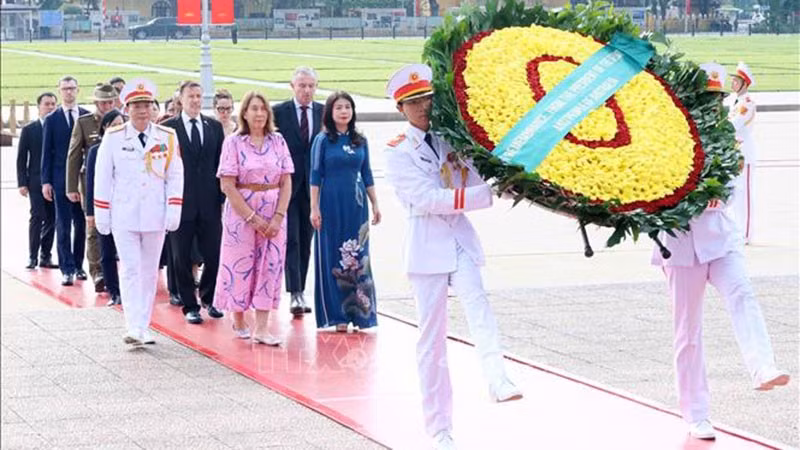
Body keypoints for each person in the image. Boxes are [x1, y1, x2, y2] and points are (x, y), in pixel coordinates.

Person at [383, 64, 522, 450]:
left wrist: (506, 181)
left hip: (459, 237)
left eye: (426, 99)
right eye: (413, 102)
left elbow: (476, 176)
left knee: (479, 305)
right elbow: (428, 198)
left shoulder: (449, 138)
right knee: (431, 340)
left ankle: (497, 378)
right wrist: (486, 194)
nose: (423, 107)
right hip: (427, 243)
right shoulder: (396, 151)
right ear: (401, 108)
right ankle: (439, 428)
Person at [652, 63, 790, 441]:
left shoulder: (724, 138)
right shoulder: (664, 139)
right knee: (688, 333)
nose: (711, 104)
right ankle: (696, 413)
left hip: (720, 238)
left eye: (715, 98)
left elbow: (730, 185)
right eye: (705, 97)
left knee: (742, 293)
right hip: (680, 246)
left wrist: (717, 196)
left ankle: (763, 366)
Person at [94, 78, 184, 345]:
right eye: (136, 106)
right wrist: (102, 212)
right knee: (130, 269)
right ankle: (133, 325)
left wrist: (174, 208)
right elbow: (102, 177)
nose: (142, 111)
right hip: (124, 213)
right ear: (127, 108)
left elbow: (175, 175)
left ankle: (143, 325)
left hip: (155, 213)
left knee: (149, 272)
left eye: (146, 105)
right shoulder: (114, 137)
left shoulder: (166, 136)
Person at [213, 91, 293, 345]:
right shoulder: (234, 143)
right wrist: (252, 218)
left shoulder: (278, 141)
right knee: (241, 264)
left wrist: (278, 216)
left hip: (273, 209)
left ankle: (262, 327)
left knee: (270, 265)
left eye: (263, 109)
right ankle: (238, 316)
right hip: (242, 214)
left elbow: (286, 180)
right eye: (254, 108)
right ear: (244, 113)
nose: (259, 113)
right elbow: (227, 184)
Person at [310, 91, 380, 332]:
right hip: (330, 204)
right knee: (333, 256)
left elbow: (367, 173)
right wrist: (314, 207)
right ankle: (337, 315)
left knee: (360, 257)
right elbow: (315, 175)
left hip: (356, 206)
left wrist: (375, 203)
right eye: (338, 107)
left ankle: (361, 314)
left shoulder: (360, 140)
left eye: (347, 107)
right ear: (330, 112)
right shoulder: (322, 140)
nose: (343, 111)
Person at [162, 80, 225, 324]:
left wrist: (221, 198)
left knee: (214, 253)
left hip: (209, 203)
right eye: (191, 96)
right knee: (181, 256)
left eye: (199, 96)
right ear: (181, 99)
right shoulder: (168, 129)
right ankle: (189, 304)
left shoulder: (213, 127)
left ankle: (209, 297)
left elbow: (220, 165)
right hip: (181, 202)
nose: (196, 100)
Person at [273, 67, 323, 317]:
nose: (307, 90)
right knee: (291, 239)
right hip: (287, 187)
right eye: (302, 85)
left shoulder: (324, 112)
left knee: (306, 240)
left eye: (311, 86)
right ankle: (295, 292)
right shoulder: (279, 112)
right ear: (292, 86)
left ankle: (301, 287)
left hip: (313, 189)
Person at [66, 83, 117, 293]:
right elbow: (74, 155)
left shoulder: (122, 121)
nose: (107, 106)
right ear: (96, 103)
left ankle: (114, 268)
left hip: (118, 184)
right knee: (93, 228)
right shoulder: (84, 123)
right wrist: (71, 187)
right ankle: (97, 271)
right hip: (91, 183)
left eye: (110, 102)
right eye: (103, 103)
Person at [41, 75, 89, 286]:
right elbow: (46, 153)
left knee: (81, 224)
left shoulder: (87, 116)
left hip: (83, 180)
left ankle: (78, 265)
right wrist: (46, 181)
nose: (69, 92)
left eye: (72, 88)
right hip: (60, 179)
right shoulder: (52, 119)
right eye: (65, 89)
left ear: (78, 90)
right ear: (60, 91)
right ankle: (66, 268)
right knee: (63, 225)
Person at [85, 110, 125, 306]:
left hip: (126, 207)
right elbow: (91, 183)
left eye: (121, 124)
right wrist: (90, 213)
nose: (118, 128)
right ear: (105, 128)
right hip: (105, 208)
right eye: (114, 125)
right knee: (107, 251)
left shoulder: (130, 147)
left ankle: (129, 289)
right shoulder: (96, 151)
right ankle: (113, 290)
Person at [17, 92, 58, 270]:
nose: (50, 107)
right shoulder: (29, 130)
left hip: (55, 181)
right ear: (39, 107)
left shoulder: (58, 128)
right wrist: (22, 183)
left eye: (53, 104)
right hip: (35, 181)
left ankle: (45, 256)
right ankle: (32, 256)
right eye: (46, 104)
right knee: (37, 216)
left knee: (52, 219)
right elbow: (21, 158)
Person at [728, 62, 757, 244]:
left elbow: (734, 124)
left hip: (744, 153)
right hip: (734, 152)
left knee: (744, 194)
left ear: (744, 83)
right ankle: (736, 230)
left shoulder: (747, 103)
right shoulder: (736, 101)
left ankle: (745, 233)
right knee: (735, 193)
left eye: (736, 81)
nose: (733, 83)